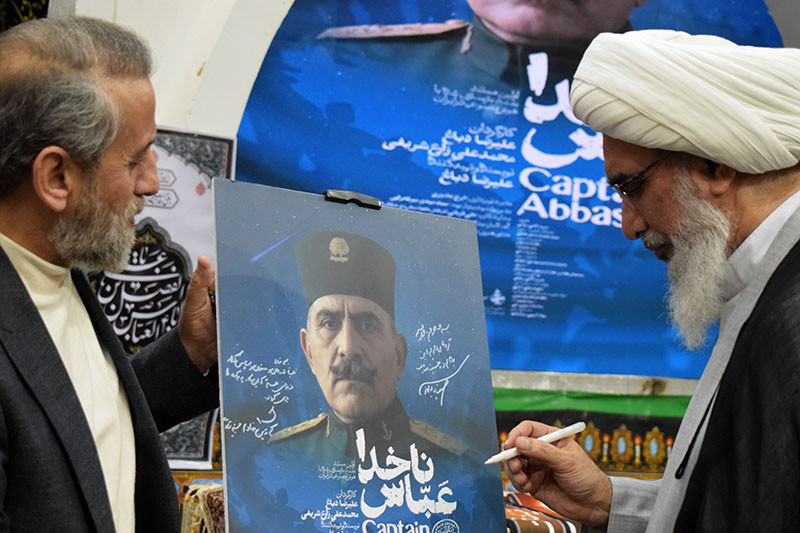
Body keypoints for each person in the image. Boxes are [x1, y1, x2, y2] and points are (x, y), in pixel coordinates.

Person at [503, 30, 800, 531]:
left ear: (713, 166)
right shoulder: (761, 285)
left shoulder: (791, 312)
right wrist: (608, 502)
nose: (629, 225)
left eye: (632, 187)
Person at [0, 16, 219, 532]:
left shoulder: (57, 263)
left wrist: (192, 353)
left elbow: (75, 429)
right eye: (135, 160)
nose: (152, 182)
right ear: (57, 177)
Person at [268, 231, 467, 463]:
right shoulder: (277, 459)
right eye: (329, 323)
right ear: (309, 352)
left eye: (367, 325)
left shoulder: (453, 465)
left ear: (399, 355)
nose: (348, 347)